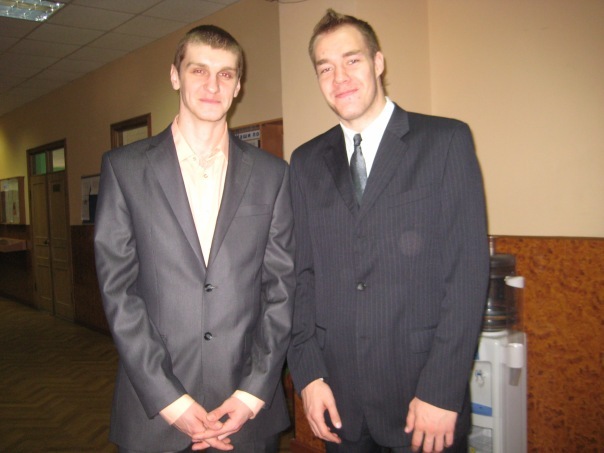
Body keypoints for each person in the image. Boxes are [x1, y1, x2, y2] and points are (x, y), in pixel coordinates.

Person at [286, 9, 489, 453]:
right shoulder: (304, 162)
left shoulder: (444, 142)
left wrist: (441, 389)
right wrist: (309, 374)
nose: (339, 77)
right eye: (325, 68)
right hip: (338, 398)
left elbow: (468, 274)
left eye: (352, 60)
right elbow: (300, 277)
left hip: (422, 397)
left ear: (378, 62)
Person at [94, 25, 295, 453]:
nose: (212, 85)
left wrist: (251, 394)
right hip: (154, 414)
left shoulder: (273, 175)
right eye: (198, 70)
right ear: (175, 75)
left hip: (246, 415)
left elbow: (281, 290)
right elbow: (118, 293)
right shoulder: (124, 169)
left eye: (225, 74)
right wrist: (170, 400)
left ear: (238, 86)